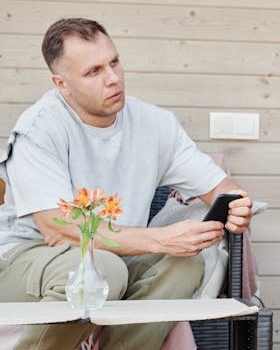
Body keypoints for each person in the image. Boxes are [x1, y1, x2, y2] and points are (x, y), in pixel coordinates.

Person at [0, 18, 253, 349]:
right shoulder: (39, 129)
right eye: (94, 72)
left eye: (114, 62)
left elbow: (218, 184)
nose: (113, 78)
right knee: (101, 267)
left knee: (186, 267)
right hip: (24, 258)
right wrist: (160, 240)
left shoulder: (154, 124)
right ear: (61, 84)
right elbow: (58, 229)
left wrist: (234, 202)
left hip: (115, 257)